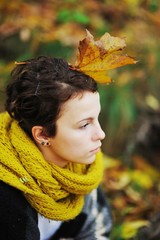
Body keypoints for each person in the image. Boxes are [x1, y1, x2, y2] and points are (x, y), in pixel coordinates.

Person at [0, 56, 112, 240]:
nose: (101, 134)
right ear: (43, 135)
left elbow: (97, 231)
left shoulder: (81, 171)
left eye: (97, 118)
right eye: (84, 125)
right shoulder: (7, 194)